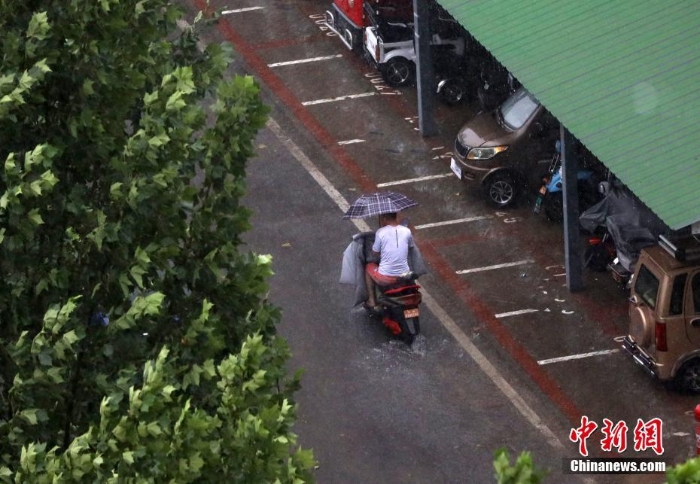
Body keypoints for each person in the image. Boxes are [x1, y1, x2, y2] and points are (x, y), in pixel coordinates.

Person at [364, 212, 415, 312]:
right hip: (404, 275)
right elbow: (410, 246)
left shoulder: (380, 232)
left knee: (368, 267)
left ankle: (372, 300)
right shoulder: (406, 231)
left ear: (384, 218)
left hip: (386, 278)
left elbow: (375, 253)